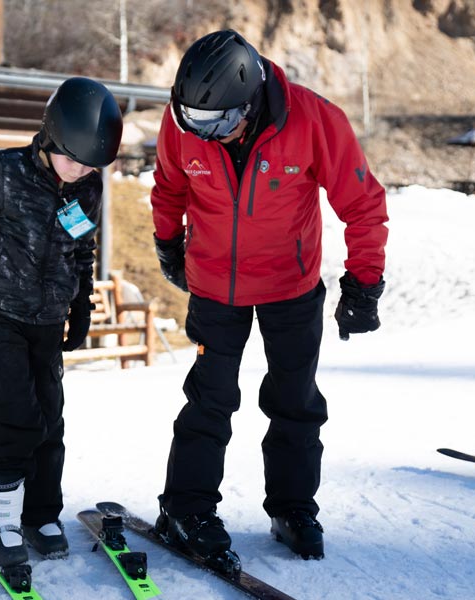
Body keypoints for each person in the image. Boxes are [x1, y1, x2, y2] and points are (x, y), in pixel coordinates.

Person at [151, 30, 389, 561]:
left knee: (295, 401)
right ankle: (186, 509)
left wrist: (365, 281)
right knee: (209, 399)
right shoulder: (185, 120)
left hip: (291, 285)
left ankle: (293, 507)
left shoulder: (313, 120)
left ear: (250, 97)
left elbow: (363, 202)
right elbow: (169, 186)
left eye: (217, 123)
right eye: (195, 123)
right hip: (215, 286)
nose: (205, 135)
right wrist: (167, 242)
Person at [0, 77, 123, 570]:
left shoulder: (87, 185)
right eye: (72, 158)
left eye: (89, 163)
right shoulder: (5, 172)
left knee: (50, 419)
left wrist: (81, 305)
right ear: (51, 137)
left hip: (47, 317)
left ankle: (39, 514)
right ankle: (3, 519)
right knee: (16, 417)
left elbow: (82, 247)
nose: (78, 171)